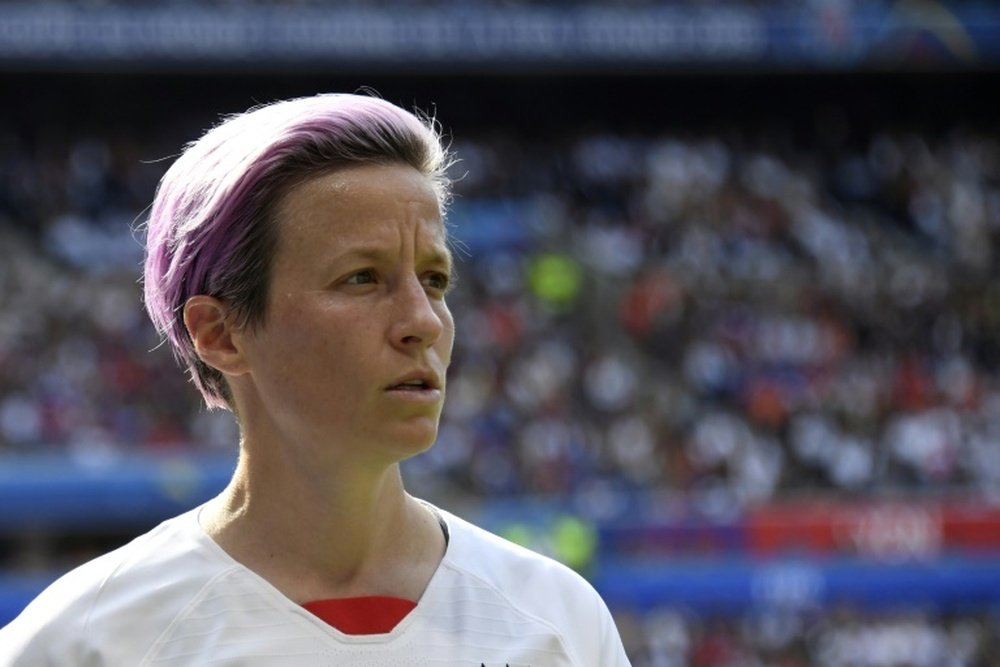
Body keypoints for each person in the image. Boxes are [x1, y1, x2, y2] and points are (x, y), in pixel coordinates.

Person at [0, 93, 631, 665]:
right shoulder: (83, 644)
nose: (423, 322)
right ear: (219, 334)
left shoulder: (559, 623)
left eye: (435, 280)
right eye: (362, 277)